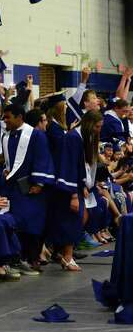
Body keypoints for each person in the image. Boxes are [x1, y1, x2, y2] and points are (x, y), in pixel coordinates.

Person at [0, 103, 55, 273]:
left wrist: (39, 183)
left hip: (31, 188)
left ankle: (33, 257)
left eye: (8, 117)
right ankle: (20, 258)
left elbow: (42, 158)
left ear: (19, 117)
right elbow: (7, 161)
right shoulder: (6, 136)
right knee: (18, 223)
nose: (5, 120)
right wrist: (5, 170)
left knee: (33, 223)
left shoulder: (36, 135)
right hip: (14, 188)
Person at [52, 111, 103, 271]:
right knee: (74, 219)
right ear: (88, 124)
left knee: (81, 217)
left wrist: (83, 187)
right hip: (68, 189)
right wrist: (74, 194)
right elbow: (69, 166)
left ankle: (64, 253)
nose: (98, 130)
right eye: (96, 126)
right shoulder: (73, 138)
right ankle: (67, 256)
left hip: (76, 186)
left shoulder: (81, 137)